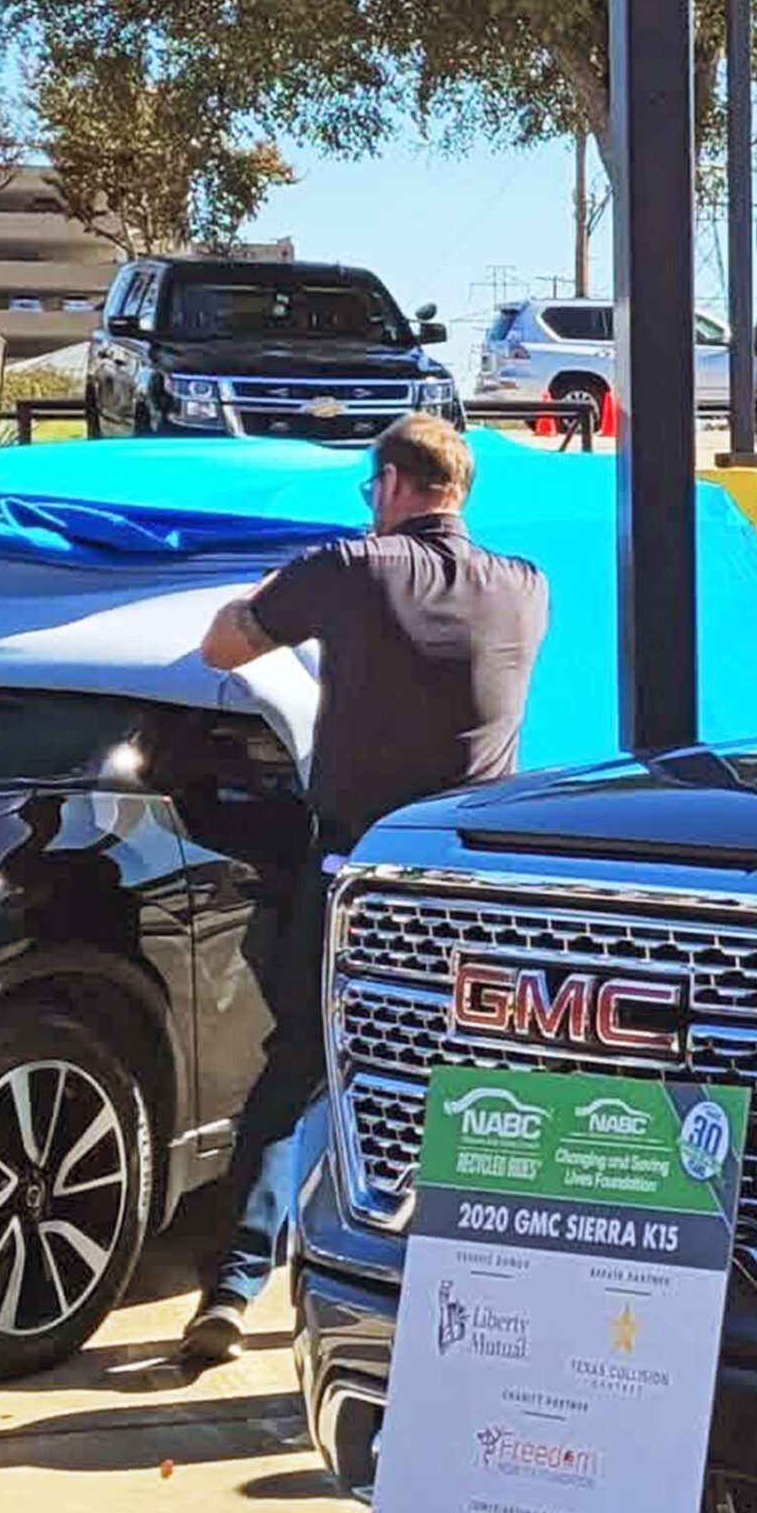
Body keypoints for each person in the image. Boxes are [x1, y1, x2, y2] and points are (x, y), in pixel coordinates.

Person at [180, 413, 547, 1366]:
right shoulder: (525, 589)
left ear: (390, 482)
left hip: (360, 872)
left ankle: (232, 1288)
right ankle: (453, 1292)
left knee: (302, 1056)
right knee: (464, 1082)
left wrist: (277, 594)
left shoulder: (348, 568)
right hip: (475, 878)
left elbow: (225, 646)